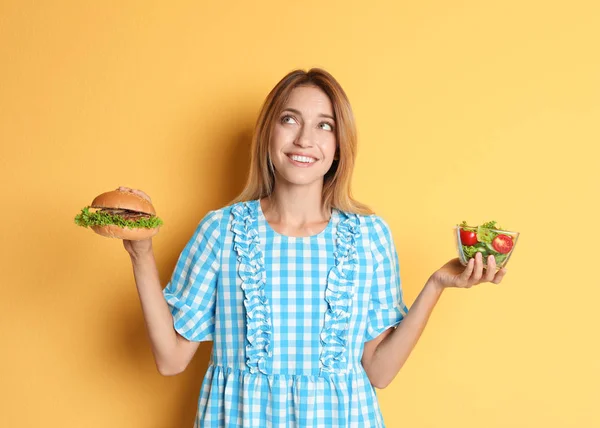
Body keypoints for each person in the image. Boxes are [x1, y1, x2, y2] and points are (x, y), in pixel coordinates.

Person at [120, 68, 507, 427]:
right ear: (268, 132)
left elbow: (379, 372)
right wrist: (142, 254)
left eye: (325, 126)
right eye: (290, 119)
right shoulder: (222, 231)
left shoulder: (369, 236)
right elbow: (170, 359)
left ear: (339, 146)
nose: (305, 139)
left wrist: (436, 284)